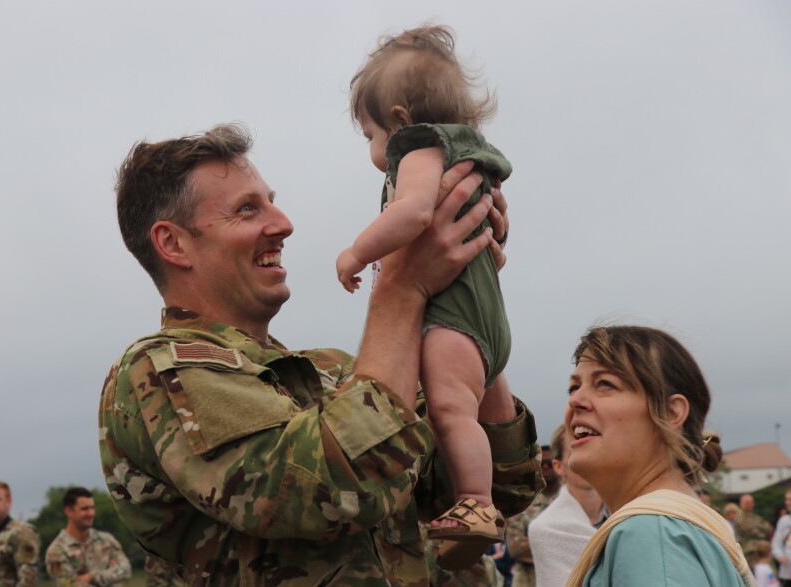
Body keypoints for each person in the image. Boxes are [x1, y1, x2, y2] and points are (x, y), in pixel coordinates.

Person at [99, 123, 543, 586]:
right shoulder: (158, 369)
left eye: (271, 200)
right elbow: (331, 490)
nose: (283, 223)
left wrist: (465, 296)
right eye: (247, 209)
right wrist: (403, 286)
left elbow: (503, 483)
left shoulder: (336, 372)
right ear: (172, 243)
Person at [337, 24, 517, 569]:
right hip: (486, 325)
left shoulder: (417, 149)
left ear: (396, 120)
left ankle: (475, 504)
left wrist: (356, 253)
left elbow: (413, 213)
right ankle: (470, 508)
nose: (374, 149)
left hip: (453, 321)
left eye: (370, 135)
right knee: (452, 407)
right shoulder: (473, 156)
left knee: (446, 408)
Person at [564, 326, 756, 586]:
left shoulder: (651, 532)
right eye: (573, 388)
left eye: (605, 384)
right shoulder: (670, 528)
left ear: (671, 413)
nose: (576, 400)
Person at [529, 425, 605, 587]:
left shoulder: (630, 514)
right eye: (576, 453)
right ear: (559, 466)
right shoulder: (546, 528)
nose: (587, 461)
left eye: (593, 450)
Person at [45, 487, 131, 587]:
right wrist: (111, 576)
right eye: (84, 509)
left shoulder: (106, 541)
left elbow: (126, 570)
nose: (91, 513)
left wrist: (92, 577)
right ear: (68, 511)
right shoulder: (57, 551)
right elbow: (70, 584)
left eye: (92, 508)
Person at [503, 444, 559, 586]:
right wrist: (560, 545)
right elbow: (516, 547)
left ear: (558, 465)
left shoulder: (572, 500)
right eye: (541, 464)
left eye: (549, 463)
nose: (545, 467)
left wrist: (536, 542)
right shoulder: (523, 501)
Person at [739, 493, 775, 567]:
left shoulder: (755, 517)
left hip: (762, 550)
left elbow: (768, 528)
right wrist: (763, 531)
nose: (750, 504)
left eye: (751, 502)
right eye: (747, 503)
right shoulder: (740, 517)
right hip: (750, 552)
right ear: (742, 504)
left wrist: (763, 530)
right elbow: (753, 532)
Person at [771, 491, 791, 586]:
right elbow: (776, 543)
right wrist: (779, 555)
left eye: (790, 499)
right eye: (787, 499)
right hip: (787, 572)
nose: (788, 502)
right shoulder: (783, 521)